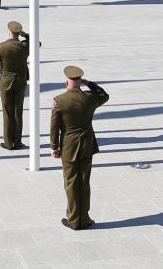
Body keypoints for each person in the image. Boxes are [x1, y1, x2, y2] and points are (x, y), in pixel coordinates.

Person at [50, 64, 108, 230]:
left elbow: (54, 126)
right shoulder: (89, 98)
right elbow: (104, 96)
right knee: (84, 182)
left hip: (68, 146)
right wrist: (89, 83)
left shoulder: (59, 100)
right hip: (87, 144)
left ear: (66, 81)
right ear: (79, 80)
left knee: (71, 183)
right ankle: (85, 218)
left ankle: (74, 220)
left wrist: (54, 146)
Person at [0, 20, 30, 149]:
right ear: (19, 33)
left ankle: (8, 143)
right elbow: (37, 43)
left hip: (5, 82)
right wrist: (27, 36)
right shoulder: (24, 46)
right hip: (20, 81)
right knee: (18, 112)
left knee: (7, 113)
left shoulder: (0, 47)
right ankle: (17, 142)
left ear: (9, 32)